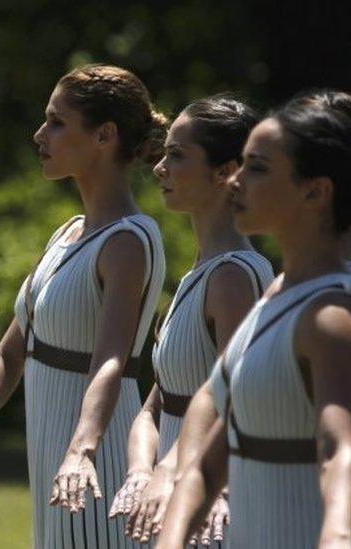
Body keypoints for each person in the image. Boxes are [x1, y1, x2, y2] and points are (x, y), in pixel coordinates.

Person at [0, 63, 167, 548]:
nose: (41, 135)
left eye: (57, 122)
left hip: (93, 459)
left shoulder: (128, 241)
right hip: (52, 458)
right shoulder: (67, 233)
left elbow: (110, 362)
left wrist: (82, 449)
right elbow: (7, 354)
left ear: (104, 135)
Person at [158, 91, 351, 548]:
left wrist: (337, 534)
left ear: (315, 191)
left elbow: (339, 450)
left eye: (258, 168)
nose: (235, 182)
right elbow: (209, 459)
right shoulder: (274, 294)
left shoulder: (333, 312)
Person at [108, 95, 273, 546]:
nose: (159, 167)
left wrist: (176, 473)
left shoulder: (234, 277)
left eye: (177, 155)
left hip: (210, 502)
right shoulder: (200, 273)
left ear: (225, 172)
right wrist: (142, 472)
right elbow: (154, 407)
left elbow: (232, 403)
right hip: (170, 492)